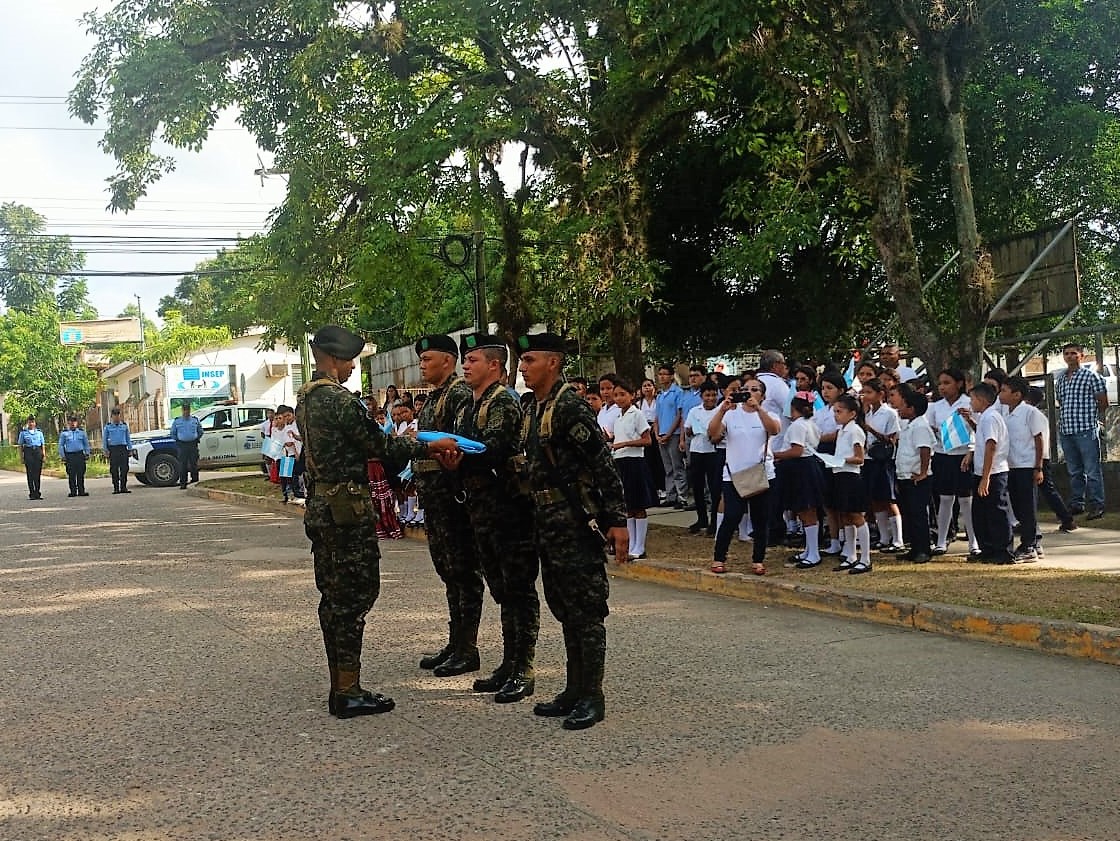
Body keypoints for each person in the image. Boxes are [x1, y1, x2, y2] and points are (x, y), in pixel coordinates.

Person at [296, 324, 455, 718]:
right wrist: (427, 443)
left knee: (333, 597)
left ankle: (342, 685)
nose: (352, 368)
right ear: (333, 359)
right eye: (349, 360)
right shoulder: (338, 401)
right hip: (345, 510)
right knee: (354, 595)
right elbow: (382, 446)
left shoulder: (306, 398)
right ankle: (348, 691)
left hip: (322, 505)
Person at [516, 332, 628, 731]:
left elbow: (603, 466)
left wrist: (618, 522)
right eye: (522, 360)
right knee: (564, 608)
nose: (523, 367)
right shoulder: (534, 408)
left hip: (577, 524)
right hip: (547, 524)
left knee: (586, 611)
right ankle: (573, 689)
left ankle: (592, 695)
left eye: (530, 359)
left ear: (554, 362)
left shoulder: (570, 408)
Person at [440, 332, 540, 703]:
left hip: (509, 508)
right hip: (480, 509)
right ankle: (508, 662)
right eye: (465, 361)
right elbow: (462, 449)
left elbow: (494, 448)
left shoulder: (503, 401)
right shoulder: (468, 406)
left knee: (518, 588)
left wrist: (459, 454)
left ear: (495, 366)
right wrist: (450, 461)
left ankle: (523, 667)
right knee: (500, 587)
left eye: (473, 360)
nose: (465, 366)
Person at [410, 335, 486, 678]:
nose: (422, 364)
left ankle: (467, 647)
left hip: (452, 497)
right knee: (448, 572)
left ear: (447, 360)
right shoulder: (434, 397)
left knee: (463, 572)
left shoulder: (456, 394)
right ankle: (456, 643)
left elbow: (459, 446)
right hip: (435, 499)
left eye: (427, 358)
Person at [708, 377, 779, 577]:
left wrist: (758, 409)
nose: (748, 393)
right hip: (733, 474)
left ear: (762, 396)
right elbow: (713, 434)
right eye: (745, 389)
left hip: (761, 474)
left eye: (754, 389)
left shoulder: (768, 414)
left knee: (760, 519)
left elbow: (774, 430)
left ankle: (758, 559)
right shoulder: (730, 414)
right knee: (731, 516)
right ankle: (719, 557)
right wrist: (722, 409)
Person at [927, 368, 979, 555]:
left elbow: (979, 431)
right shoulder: (936, 406)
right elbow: (932, 429)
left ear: (959, 383)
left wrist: (969, 419)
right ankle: (941, 540)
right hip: (943, 454)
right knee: (945, 498)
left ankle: (973, 542)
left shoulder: (968, 403)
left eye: (947, 383)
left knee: (966, 500)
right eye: (940, 383)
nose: (942, 387)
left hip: (963, 455)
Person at [1054, 343, 1107, 520]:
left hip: (1086, 430)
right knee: (1074, 470)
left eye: (1074, 353)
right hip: (1066, 430)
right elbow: (1061, 403)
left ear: (1081, 356)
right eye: (1067, 354)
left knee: (1092, 470)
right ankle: (1077, 503)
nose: (1070, 356)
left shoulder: (1092, 376)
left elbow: (1103, 402)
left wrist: (1092, 419)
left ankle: (1097, 505)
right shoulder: (1060, 379)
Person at [963, 382, 1013, 564]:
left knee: (996, 512)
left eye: (973, 399)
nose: (971, 404)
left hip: (993, 472)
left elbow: (991, 445)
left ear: (982, 400)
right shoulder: (984, 418)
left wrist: (986, 477)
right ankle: (988, 548)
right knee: (981, 513)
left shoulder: (991, 417)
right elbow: (982, 438)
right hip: (981, 471)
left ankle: (1003, 551)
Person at [773, 392, 825, 568]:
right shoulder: (811, 424)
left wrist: (776, 455)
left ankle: (814, 553)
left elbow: (796, 450)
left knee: (807, 509)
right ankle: (809, 550)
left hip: (801, 467)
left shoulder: (797, 426)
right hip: (806, 466)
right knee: (804, 510)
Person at [1000, 376, 1047, 563]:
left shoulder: (1029, 412)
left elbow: (1039, 439)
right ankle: (1033, 542)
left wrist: (1038, 467)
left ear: (1017, 394)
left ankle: (1028, 545)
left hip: (1027, 466)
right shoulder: (1005, 412)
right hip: (1011, 466)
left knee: (1027, 507)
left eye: (1004, 390)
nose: (1000, 394)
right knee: (1018, 508)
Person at [611, 378, 656, 560]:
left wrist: (625, 443)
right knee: (627, 506)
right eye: (616, 395)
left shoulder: (637, 414)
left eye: (623, 394)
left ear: (632, 395)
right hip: (621, 461)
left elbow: (647, 440)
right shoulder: (618, 416)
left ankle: (640, 546)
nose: (619, 398)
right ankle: (630, 544)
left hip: (635, 462)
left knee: (638, 506)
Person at [1025, 386, 1077, 537]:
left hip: (1040, 458)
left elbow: (1038, 439)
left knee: (1046, 489)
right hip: (1036, 458)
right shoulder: (1031, 414)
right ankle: (1066, 518)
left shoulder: (1035, 415)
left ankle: (1067, 519)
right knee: (1045, 490)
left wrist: (1038, 465)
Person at [892, 387, 935, 563]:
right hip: (904, 476)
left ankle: (924, 549)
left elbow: (925, 449)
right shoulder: (909, 425)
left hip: (916, 477)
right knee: (909, 514)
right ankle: (914, 548)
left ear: (911, 408)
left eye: (902, 406)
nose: (899, 409)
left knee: (918, 515)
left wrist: (923, 473)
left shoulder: (920, 426)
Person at [830, 394, 872, 573]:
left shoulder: (855, 430)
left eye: (839, 411)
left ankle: (866, 558)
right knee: (845, 516)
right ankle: (851, 555)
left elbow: (859, 458)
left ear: (852, 413)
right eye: (835, 411)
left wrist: (840, 459)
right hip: (840, 475)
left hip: (851, 476)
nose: (836, 415)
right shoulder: (842, 430)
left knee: (856, 516)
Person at [682, 381, 723, 535]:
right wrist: (691, 430)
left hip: (712, 451)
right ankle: (701, 518)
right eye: (707, 395)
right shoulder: (694, 411)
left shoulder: (719, 411)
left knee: (714, 488)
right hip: (697, 450)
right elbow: (688, 429)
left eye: (713, 395)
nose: (710, 398)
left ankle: (714, 520)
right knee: (697, 487)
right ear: (701, 396)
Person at [654, 364, 688, 508]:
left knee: (677, 466)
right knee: (667, 467)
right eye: (660, 374)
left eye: (664, 374)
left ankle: (682, 496)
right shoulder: (660, 395)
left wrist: (669, 433)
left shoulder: (678, 392)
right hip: (661, 434)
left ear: (671, 376)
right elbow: (657, 417)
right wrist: (657, 434)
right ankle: (671, 495)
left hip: (673, 434)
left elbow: (679, 415)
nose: (662, 377)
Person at [170, 403, 203, 489]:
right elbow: (173, 433)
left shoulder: (194, 420)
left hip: (193, 444)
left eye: (187, 410)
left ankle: (195, 481)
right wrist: (179, 440)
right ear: (182, 410)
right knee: (182, 465)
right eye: (184, 410)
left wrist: (195, 438)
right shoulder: (177, 421)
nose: (186, 412)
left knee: (194, 464)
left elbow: (200, 431)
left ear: (189, 410)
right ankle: (183, 483)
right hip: (182, 445)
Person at [58, 415, 91, 498]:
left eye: (74, 421)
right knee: (71, 474)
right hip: (70, 456)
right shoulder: (64, 433)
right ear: (68, 423)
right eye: (71, 421)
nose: (73, 423)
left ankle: (81, 490)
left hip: (79, 455)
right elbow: (61, 445)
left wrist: (87, 453)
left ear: (77, 423)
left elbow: (86, 444)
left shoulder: (81, 433)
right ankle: (73, 491)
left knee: (80, 473)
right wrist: (63, 456)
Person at [104, 406, 133, 493]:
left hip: (123, 449)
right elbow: (105, 439)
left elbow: (128, 438)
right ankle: (116, 488)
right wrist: (106, 450)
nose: (116, 417)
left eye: (118, 415)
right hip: (113, 449)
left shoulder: (124, 426)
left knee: (124, 469)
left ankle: (123, 487)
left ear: (120, 416)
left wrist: (130, 449)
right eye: (114, 415)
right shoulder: (108, 427)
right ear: (112, 416)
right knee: (114, 469)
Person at [17, 415, 45, 500]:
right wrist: (21, 457)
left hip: (37, 452)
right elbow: (20, 446)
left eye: (32, 422)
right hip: (29, 452)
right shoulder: (23, 433)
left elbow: (43, 444)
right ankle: (32, 493)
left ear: (35, 423)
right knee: (30, 474)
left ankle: (37, 493)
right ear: (27, 423)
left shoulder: (39, 432)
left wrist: (44, 455)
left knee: (37, 474)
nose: (31, 423)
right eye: (29, 422)